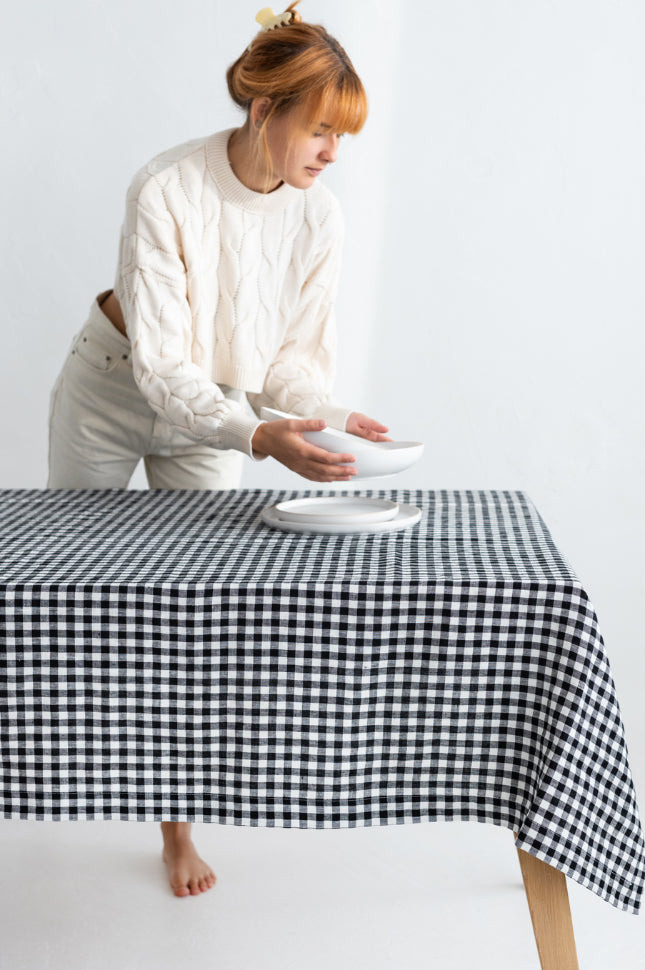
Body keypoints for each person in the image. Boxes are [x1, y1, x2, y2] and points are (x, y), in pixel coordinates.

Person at [46, 2, 389, 898]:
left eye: (341, 137)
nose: (330, 153)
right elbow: (162, 370)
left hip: (228, 411)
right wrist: (260, 434)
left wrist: (320, 419)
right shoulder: (165, 187)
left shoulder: (322, 219)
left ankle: (174, 828)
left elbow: (291, 367)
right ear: (264, 111)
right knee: (61, 596)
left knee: (192, 620)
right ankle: (47, 778)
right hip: (112, 394)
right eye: (320, 130)